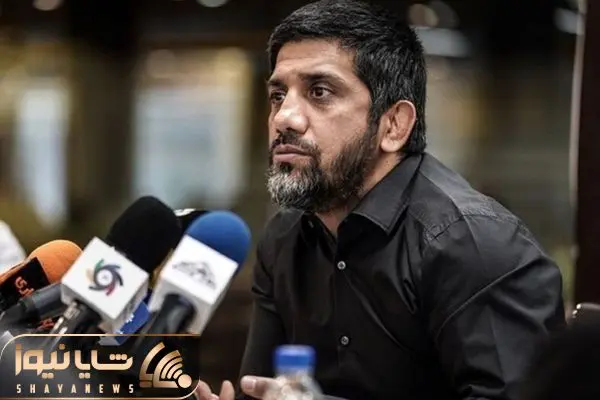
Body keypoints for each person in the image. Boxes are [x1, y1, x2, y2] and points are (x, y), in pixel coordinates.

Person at [196, 0, 565, 399]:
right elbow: (265, 391)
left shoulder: (474, 245)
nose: (284, 117)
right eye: (278, 95)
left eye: (319, 92)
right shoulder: (285, 237)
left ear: (394, 125)